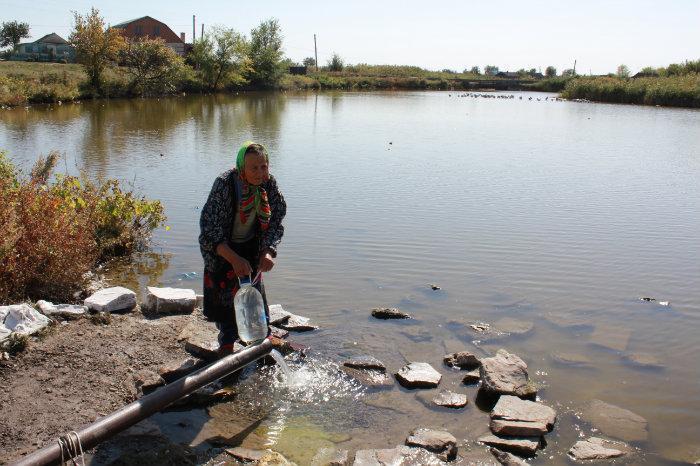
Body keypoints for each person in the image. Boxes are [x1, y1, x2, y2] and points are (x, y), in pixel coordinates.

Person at [199, 141, 286, 355]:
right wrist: (233, 258)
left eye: (264, 166)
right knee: (226, 297)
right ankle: (227, 343)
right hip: (223, 248)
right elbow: (209, 228)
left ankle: (261, 338)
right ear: (241, 168)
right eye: (253, 168)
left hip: (251, 245)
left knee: (253, 294)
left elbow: (276, 220)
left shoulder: (268, 184)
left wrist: (268, 251)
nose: (259, 173)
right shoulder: (225, 184)